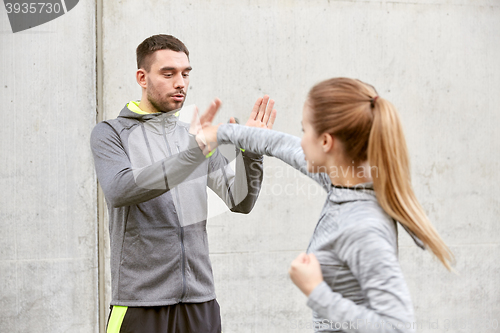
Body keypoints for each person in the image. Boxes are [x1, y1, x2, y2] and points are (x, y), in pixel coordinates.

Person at [195, 77, 453, 332]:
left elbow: (397, 327)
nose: (301, 139)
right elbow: (280, 144)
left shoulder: (363, 226)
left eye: (305, 131)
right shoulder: (342, 182)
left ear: (326, 142)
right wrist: (220, 133)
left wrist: (315, 290)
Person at [90, 34, 276, 333]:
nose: (181, 83)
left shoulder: (193, 136)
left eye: (186, 74)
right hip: (139, 304)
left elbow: (240, 201)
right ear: (142, 77)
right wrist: (194, 156)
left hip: (201, 302)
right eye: (169, 73)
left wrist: (252, 152)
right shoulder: (110, 133)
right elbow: (120, 189)